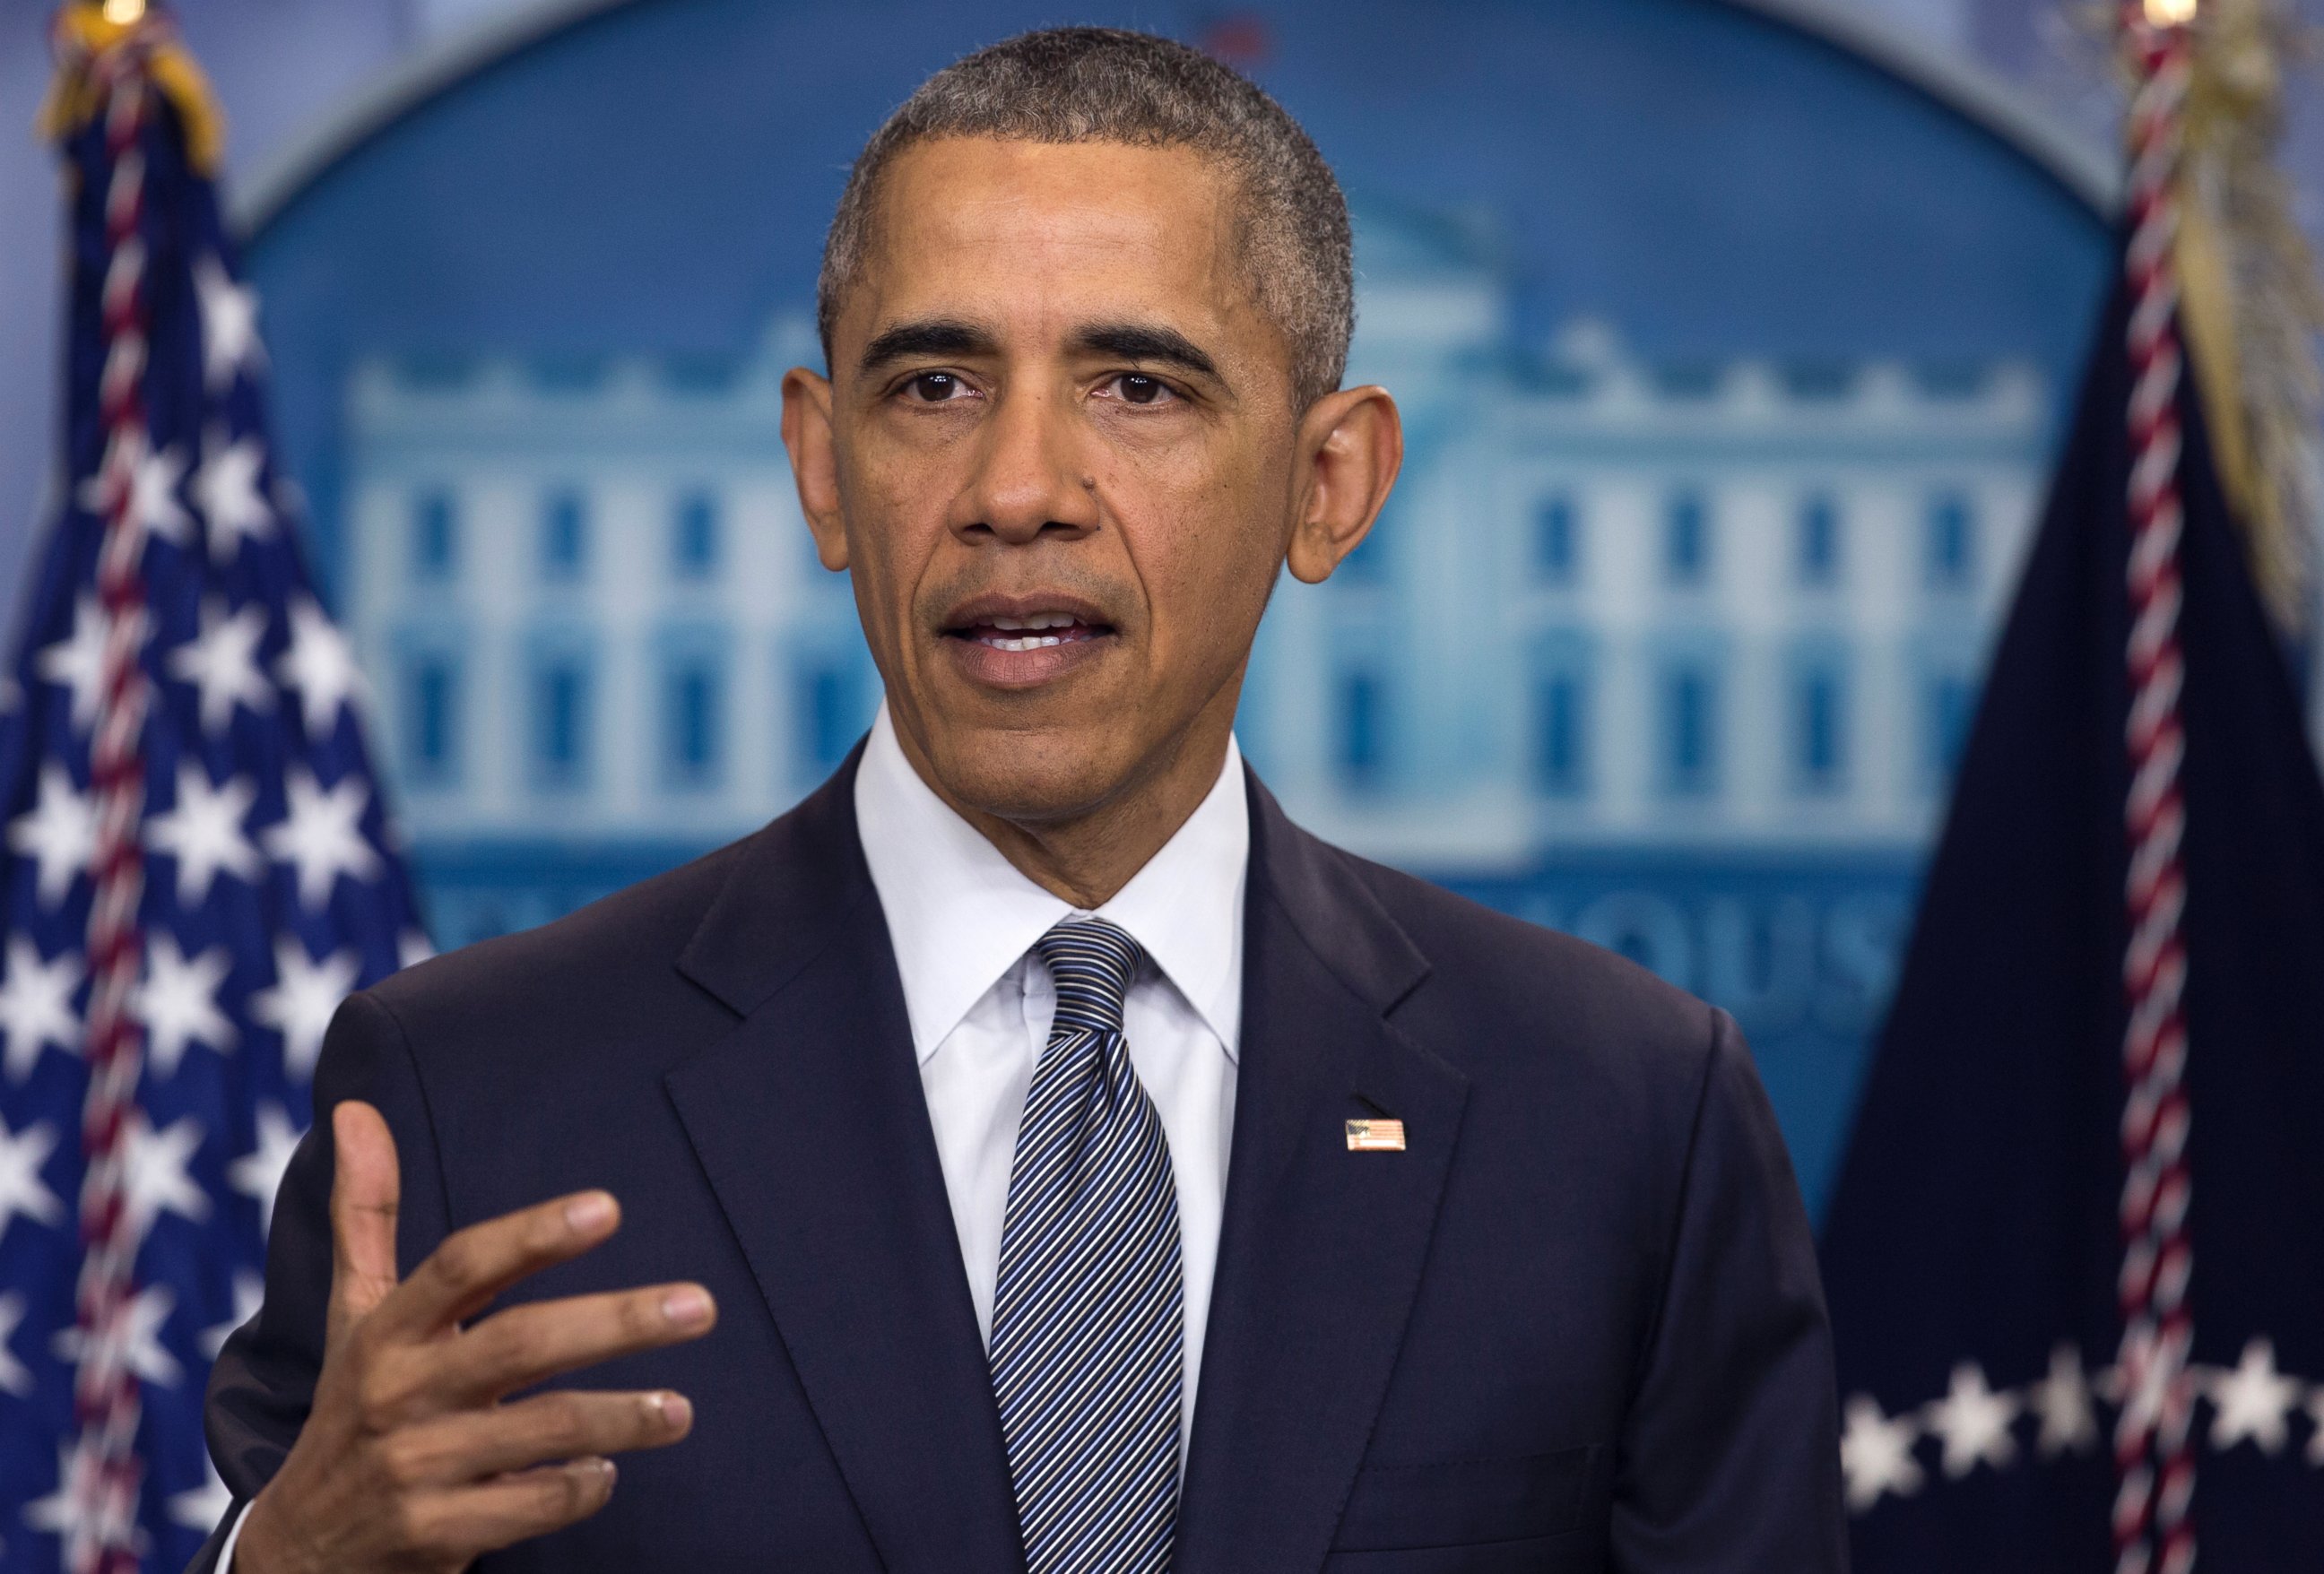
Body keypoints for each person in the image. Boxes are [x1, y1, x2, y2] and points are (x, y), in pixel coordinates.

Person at [198, 28, 1843, 1573]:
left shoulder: (1624, 1112)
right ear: (823, 466)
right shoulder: (472, 1097)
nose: (1016, 492)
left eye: (1139, 386)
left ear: (1327, 482)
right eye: (933, 387)